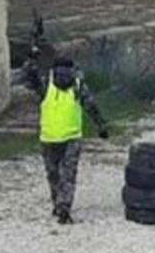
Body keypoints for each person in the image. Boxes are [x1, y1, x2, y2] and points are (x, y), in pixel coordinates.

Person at [22, 55, 109, 224]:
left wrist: (31, 59)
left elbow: (28, 78)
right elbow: (91, 106)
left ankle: (58, 204)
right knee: (68, 175)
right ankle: (64, 207)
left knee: (53, 174)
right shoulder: (78, 86)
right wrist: (101, 125)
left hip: (49, 137)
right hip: (72, 137)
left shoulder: (46, 84)